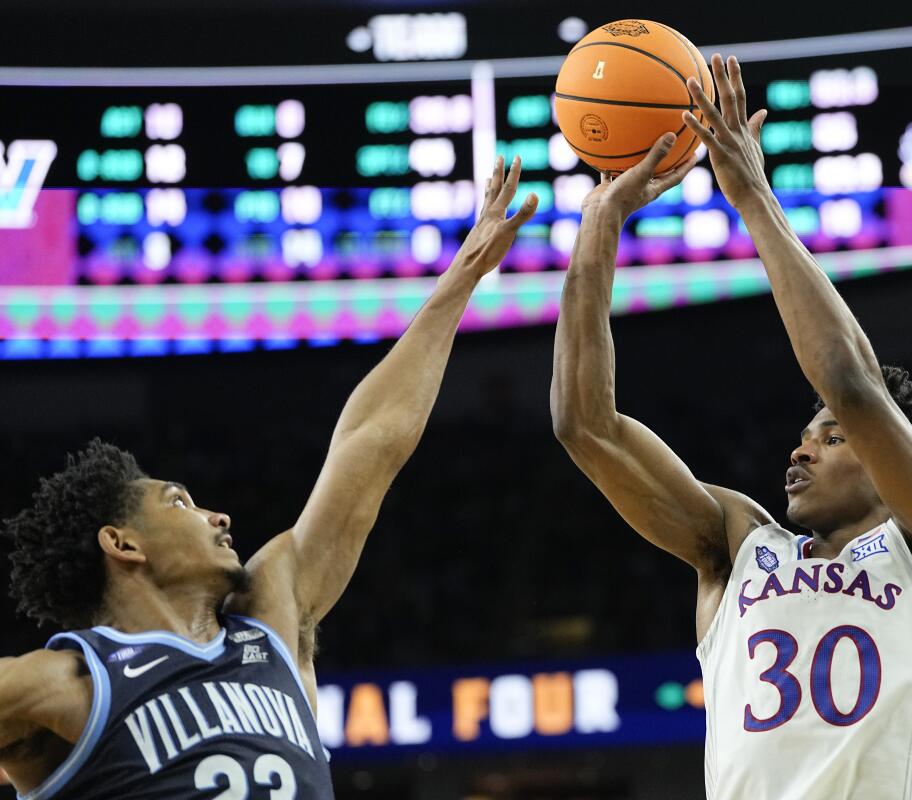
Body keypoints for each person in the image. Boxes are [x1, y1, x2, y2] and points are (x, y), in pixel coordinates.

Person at [0, 157, 538, 800]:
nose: (217, 516)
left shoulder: (272, 616)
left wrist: (464, 273)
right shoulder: (64, 685)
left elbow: (371, 443)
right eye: (180, 503)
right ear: (123, 544)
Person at [551, 54, 912, 799]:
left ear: (900, 457)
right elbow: (584, 426)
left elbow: (851, 384)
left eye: (830, 437)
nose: (801, 447)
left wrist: (752, 195)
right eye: (807, 434)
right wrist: (599, 229)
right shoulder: (738, 547)